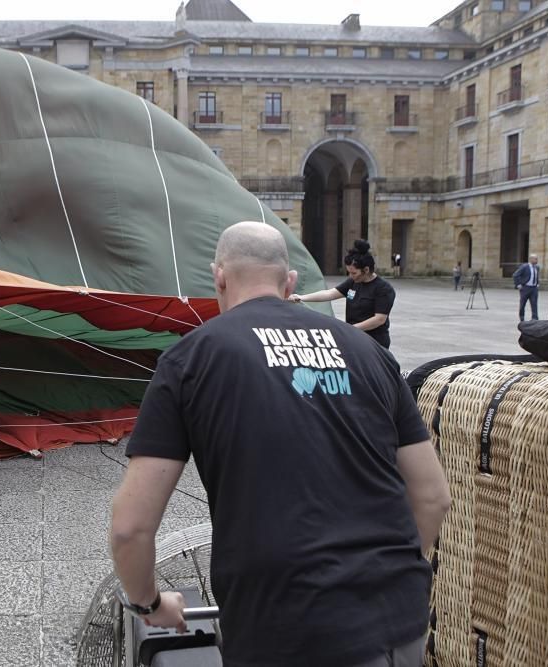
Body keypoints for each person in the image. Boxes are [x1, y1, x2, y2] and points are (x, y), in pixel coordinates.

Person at [109, 221, 450, 667]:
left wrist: (150, 604)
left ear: (219, 276)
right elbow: (434, 497)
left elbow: (130, 527)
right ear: (289, 281)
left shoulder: (192, 357)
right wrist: (392, 581)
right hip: (397, 621)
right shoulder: (372, 355)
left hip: (281, 628)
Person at [289, 240, 396, 349]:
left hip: (375, 342)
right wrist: (301, 297)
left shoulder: (383, 289)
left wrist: (350, 328)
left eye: (354, 273)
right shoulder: (353, 282)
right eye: (349, 272)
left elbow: (379, 319)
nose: (351, 276)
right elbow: (330, 294)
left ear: (366, 270)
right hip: (354, 338)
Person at [512, 254, 540, 322]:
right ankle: (522, 318)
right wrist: (518, 284)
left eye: (537, 259)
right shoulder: (524, 266)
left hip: (534, 288)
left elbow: (536, 276)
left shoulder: (537, 267)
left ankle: (535, 318)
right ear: (531, 259)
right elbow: (515, 275)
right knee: (523, 303)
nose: (537, 260)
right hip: (525, 288)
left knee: (534, 303)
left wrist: (537, 283)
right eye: (535, 259)